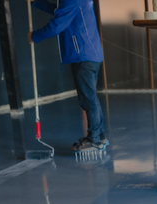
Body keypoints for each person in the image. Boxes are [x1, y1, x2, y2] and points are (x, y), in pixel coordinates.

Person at [28, 0, 106, 153]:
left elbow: (56, 25)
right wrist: (36, 3)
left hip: (83, 55)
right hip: (89, 54)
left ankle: (94, 140)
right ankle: (98, 135)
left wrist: (34, 36)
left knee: (88, 99)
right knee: (90, 98)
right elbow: (59, 10)